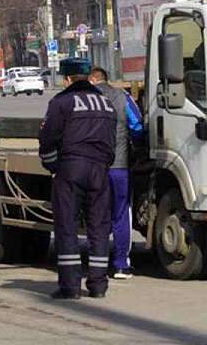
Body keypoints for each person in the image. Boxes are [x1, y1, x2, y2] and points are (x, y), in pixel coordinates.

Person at [38, 57, 116, 300]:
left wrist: (53, 166)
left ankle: (71, 287)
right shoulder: (106, 103)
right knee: (99, 227)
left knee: (67, 226)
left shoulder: (61, 102)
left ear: (67, 78)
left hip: (71, 168)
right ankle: (98, 285)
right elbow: (112, 141)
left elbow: (47, 139)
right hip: (100, 169)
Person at [89, 66, 145, 280]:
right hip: (119, 166)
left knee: (97, 215)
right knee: (121, 213)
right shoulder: (123, 97)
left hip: (94, 168)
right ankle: (121, 265)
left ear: (93, 79)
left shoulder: (85, 99)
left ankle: (98, 266)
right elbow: (137, 126)